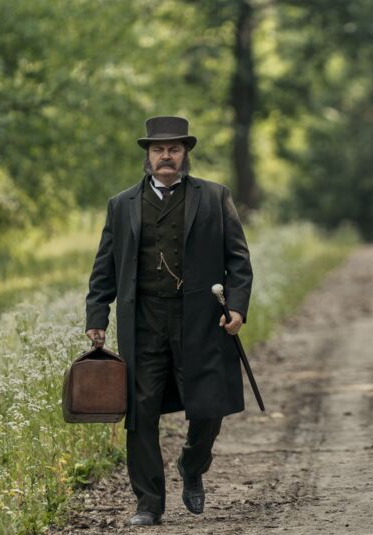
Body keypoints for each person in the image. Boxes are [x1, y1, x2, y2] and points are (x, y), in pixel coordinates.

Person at [85, 116, 253, 526]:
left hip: (200, 318)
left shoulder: (214, 197)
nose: (166, 156)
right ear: (147, 155)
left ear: (185, 154)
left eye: (174, 149)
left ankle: (193, 465)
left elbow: (238, 261)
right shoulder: (121, 204)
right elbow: (104, 266)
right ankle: (148, 502)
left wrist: (237, 307)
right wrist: (97, 314)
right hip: (142, 319)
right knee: (140, 412)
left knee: (208, 405)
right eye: (159, 149)